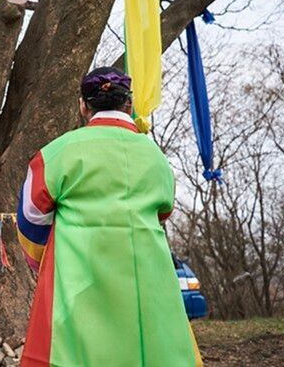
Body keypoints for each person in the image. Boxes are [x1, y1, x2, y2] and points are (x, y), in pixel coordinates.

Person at [16, 67, 202, 367]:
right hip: (148, 276)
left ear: (82, 105)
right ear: (128, 104)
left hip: (77, 278)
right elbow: (164, 210)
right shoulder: (156, 158)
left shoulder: (57, 152)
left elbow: (29, 216)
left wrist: (44, 260)